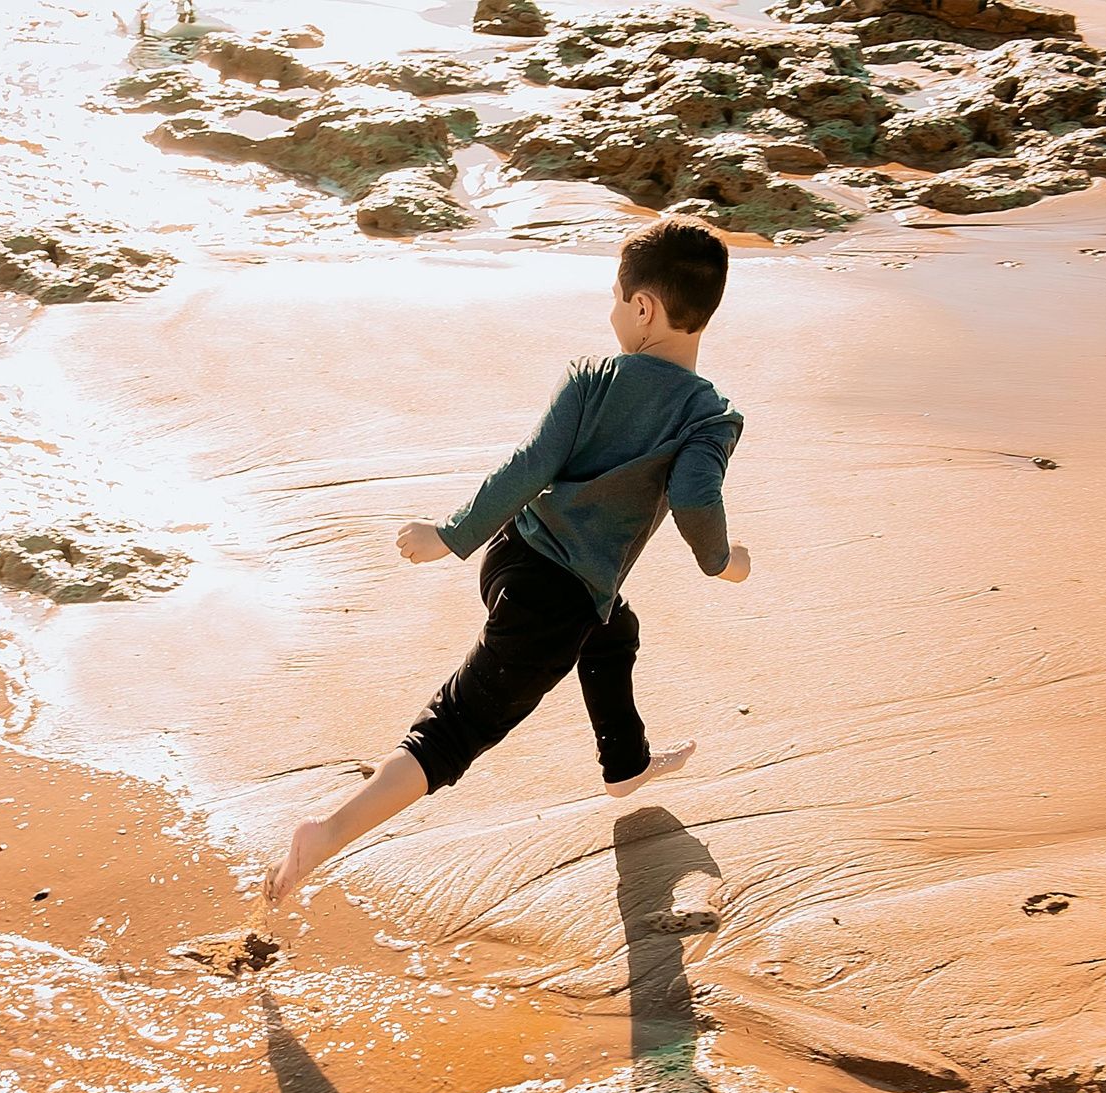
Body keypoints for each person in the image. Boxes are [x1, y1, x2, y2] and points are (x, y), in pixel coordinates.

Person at [265, 215, 752, 908]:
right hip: (555, 596)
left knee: (612, 626)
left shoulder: (590, 379)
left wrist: (455, 535)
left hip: (513, 555)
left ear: (643, 307)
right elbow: (696, 494)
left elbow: (531, 466)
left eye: (617, 297)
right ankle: (326, 833)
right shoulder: (710, 418)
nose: (613, 310)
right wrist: (722, 560)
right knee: (456, 728)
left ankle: (626, 762)